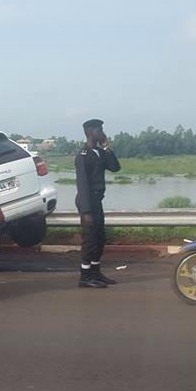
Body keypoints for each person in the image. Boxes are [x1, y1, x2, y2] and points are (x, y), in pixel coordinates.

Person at [75, 118, 121, 288]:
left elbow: (115, 167)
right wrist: (86, 212)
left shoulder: (100, 152)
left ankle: (96, 272)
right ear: (90, 132)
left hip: (97, 201)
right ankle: (85, 276)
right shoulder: (83, 156)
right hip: (87, 202)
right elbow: (82, 184)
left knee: (100, 238)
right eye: (99, 130)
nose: (102, 132)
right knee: (90, 240)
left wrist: (107, 147)